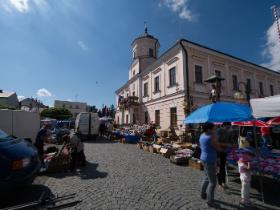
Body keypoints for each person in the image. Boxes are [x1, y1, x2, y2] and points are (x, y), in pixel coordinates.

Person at [199, 122, 228, 208]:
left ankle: (202, 194)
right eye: (213, 128)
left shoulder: (202, 135)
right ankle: (210, 201)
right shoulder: (211, 137)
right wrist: (224, 149)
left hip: (203, 158)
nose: (214, 129)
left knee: (207, 178)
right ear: (209, 129)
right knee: (213, 182)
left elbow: (204, 146)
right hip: (210, 160)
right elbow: (218, 148)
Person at [216, 122, 232, 190]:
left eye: (229, 127)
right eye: (227, 127)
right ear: (224, 125)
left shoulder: (227, 131)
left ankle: (224, 183)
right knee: (219, 169)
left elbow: (227, 141)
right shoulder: (219, 131)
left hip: (224, 152)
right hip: (218, 152)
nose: (228, 129)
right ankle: (220, 184)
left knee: (223, 167)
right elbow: (216, 142)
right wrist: (226, 145)